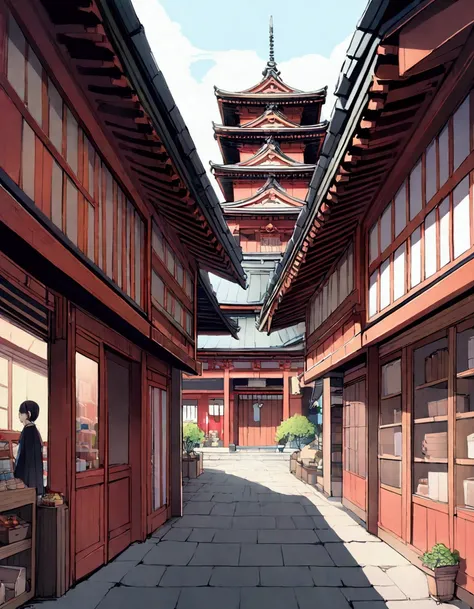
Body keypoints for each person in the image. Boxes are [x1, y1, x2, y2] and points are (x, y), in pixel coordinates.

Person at [14, 400, 44, 497]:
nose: (19, 415)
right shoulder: (34, 430)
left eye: (21, 413)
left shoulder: (27, 430)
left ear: (28, 414)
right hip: (34, 472)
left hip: (26, 471)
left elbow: (21, 453)